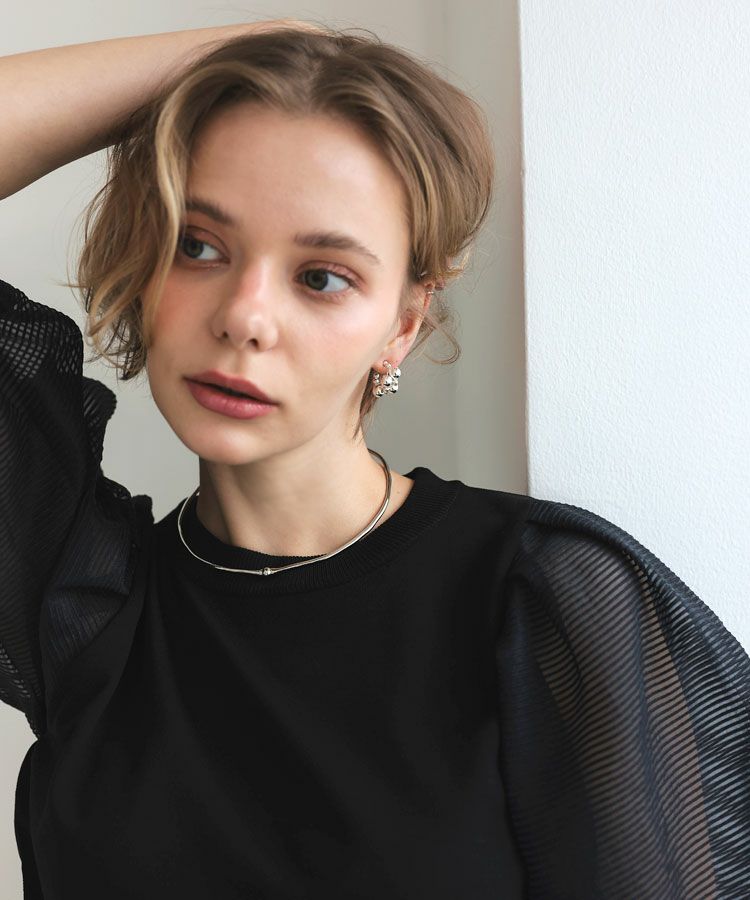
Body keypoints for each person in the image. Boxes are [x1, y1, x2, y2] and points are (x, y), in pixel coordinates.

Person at [0, 20, 748, 900]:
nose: (244, 316)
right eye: (197, 245)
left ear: (402, 325)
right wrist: (250, 42)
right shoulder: (81, 606)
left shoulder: (536, 600)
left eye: (321, 276)